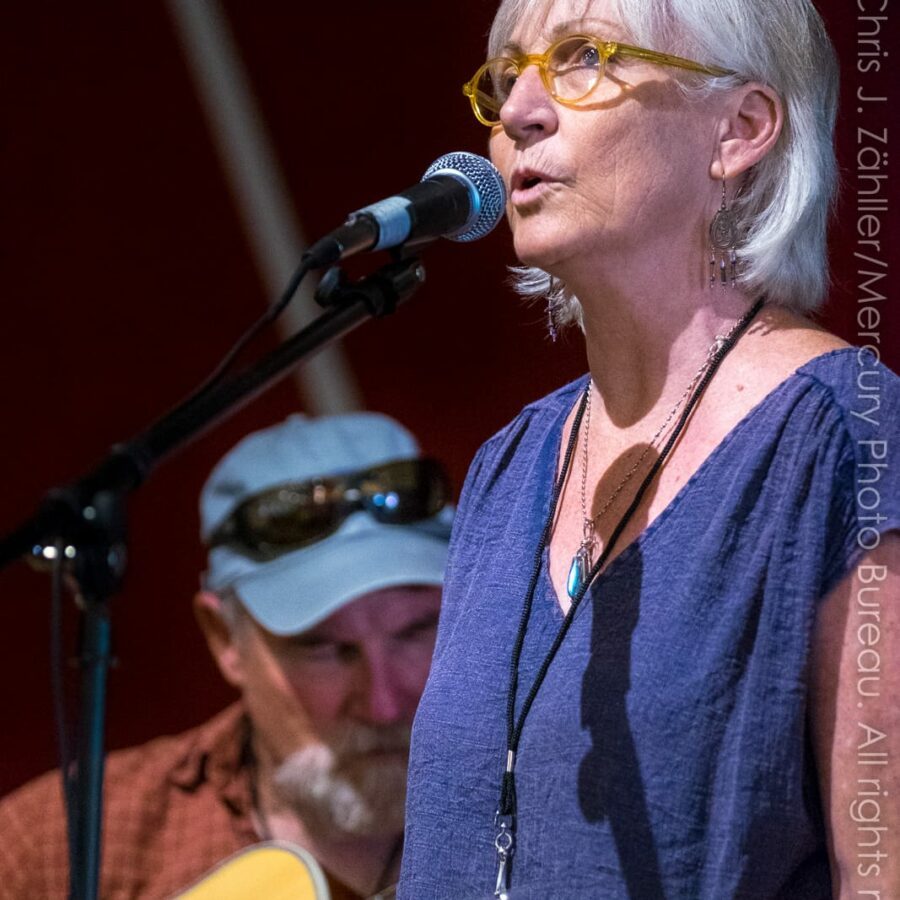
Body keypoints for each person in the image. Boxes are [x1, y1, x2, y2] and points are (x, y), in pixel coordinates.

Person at [399, 1, 899, 897]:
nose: (518, 113)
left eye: (582, 58)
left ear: (739, 129)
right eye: (508, 75)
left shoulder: (843, 438)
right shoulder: (508, 468)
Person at [0, 412, 453, 899]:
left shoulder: (537, 793)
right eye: (325, 648)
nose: (384, 702)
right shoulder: (65, 842)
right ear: (224, 639)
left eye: (417, 629)